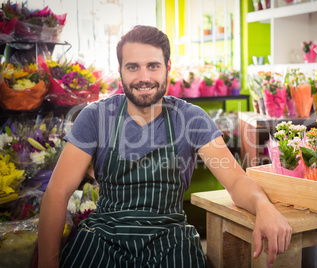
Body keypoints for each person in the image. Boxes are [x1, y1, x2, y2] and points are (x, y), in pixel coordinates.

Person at [38, 25, 292, 268]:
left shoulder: (192, 119)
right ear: (120, 71)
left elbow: (236, 181)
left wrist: (263, 207)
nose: (144, 77)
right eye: (133, 67)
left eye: (153, 66)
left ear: (168, 67)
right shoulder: (95, 117)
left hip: (170, 238)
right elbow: (58, 192)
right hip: (103, 234)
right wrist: (47, 263)